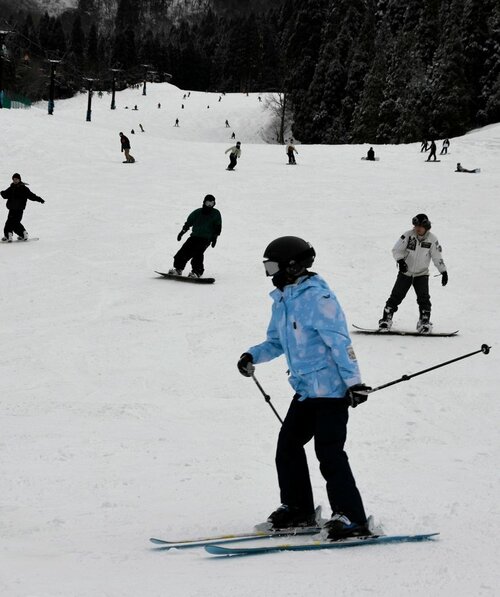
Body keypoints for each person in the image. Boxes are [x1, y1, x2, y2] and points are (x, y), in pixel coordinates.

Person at [237, 236, 372, 540]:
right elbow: (276, 342)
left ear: (293, 265)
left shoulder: (318, 298)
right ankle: (299, 510)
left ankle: (352, 518)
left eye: (273, 266)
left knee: (329, 452)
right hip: (306, 391)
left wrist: (354, 383)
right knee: (287, 447)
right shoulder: (284, 299)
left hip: (331, 392)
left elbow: (340, 343)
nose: (271, 273)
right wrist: (251, 356)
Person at [378, 214, 448, 333]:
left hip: (422, 274)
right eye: (416, 226)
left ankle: (424, 321)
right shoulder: (408, 235)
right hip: (405, 273)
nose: (417, 229)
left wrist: (443, 271)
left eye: (420, 226)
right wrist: (400, 261)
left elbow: (437, 257)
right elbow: (396, 250)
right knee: (396, 296)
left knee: (424, 299)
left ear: (426, 227)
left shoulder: (432, 239)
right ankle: (386, 319)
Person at [168, 194, 222, 278]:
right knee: (184, 251)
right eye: (208, 203)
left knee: (198, 253)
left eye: (212, 203)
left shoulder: (216, 213)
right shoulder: (197, 212)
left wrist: (215, 237)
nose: (209, 205)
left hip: (206, 238)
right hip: (194, 237)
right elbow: (188, 223)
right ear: (204, 202)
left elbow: (218, 226)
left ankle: (197, 272)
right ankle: (178, 269)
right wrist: (182, 232)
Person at [1, 173, 44, 241]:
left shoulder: (24, 188)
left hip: (18, 209)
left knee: (11, 223)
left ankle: (10, 235)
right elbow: (5, 195)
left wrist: (39, 199)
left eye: (16, 179)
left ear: (19, 179)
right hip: (12, 209)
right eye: (14, 179)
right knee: (13, 223)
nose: (15, 180)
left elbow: (31, 196)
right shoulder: (11, 188)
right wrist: (2, 192)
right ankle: (22, 234)